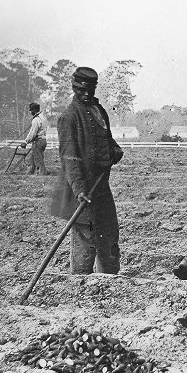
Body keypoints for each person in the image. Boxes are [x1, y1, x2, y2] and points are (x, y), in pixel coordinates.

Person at [49, 67, 124, 274]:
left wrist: (115, 150)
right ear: (74, 87)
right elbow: (69, 158)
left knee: (109, 235)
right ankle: (80, 283)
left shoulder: (99, 111)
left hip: (101, 189)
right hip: (81, 192)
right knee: (86, 239)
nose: (86, 94)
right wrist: (79, 190)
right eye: (81, 90)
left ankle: (109, 280)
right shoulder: (69, 117)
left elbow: (107, 139)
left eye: (90, 90)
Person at [22, 101, 48, 175]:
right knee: (32, 159)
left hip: (38, 141)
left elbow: (32, 133)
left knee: (38, 159)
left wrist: (25, 142)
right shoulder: (43, 118)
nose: (30, 112)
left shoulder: (36, 120)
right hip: (43, 141)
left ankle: (43, 174)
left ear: (34, 110)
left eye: (31, 111)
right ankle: (30, 173)